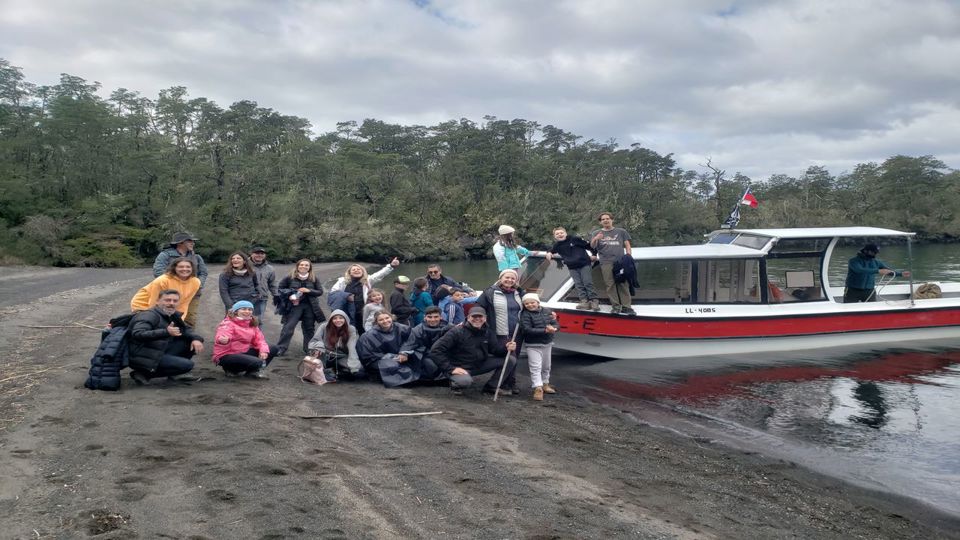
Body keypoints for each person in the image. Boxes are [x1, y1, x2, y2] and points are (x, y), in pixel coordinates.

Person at [430, 306, 518, 395]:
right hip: (460, 367)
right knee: (465, 382)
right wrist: (450, 368)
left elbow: (495, 350)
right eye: (474, 316)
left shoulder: (488, 332)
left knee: (510, 360)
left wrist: (506, 348)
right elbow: (435, 350)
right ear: (468, 318)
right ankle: (454, 383)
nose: (477, 319)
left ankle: (491, 387)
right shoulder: (456, 332)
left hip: (479, 364)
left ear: (485, 318)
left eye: (480, 316)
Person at [127, 289, 204, 385]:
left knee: (189, 341)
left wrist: (196, 339)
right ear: (157, 301)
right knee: (188, 365)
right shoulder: (148, 315)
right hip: (141, 354)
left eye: (175, 301)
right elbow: (137, 334)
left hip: (157, 349)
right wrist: (165, 332)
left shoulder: (172, 315)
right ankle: (144, 373)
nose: (171, 303)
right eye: (167, 300)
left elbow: (186, 330)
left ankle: (173, 373)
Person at [152, 232, 209, 327]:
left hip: (192, 295)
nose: (193, 243)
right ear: (180, 243)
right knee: (166, 318)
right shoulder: (165, 255)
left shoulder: (197, 257)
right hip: (170, 295)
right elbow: (158, 272)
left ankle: (188, 340)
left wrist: (198, 284)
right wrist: (175, 284)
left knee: (190, 319)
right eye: (189, 241)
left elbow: (203, 273)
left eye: (193, 241)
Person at [328, 258, 400, 330]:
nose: (356, 270)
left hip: (362, 311)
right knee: (347, 330)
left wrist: (391, 266)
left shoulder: (368, 280)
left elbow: (380, 274)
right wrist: (346, 296)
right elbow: (333, 292)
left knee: (362, 329)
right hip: (347, 310)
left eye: (359, 269)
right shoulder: (343, 281)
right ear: (350, 273)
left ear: (363, 272)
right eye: (354, 270)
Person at [212, 300, 277, 379]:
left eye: (250, 309)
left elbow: (260, 340)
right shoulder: (228, 323)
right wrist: (224, 340)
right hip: (227, 355)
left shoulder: (252, 323)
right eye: (243, 309)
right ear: (236, 311)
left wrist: (263, 351)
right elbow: (222, 335)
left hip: (243, 352)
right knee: (257, 361)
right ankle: (231, 370)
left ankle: (253, 372)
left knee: (272, 348)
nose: (247, 311)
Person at [276, 259, 325, 356]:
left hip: (310, 306)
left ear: (309, 267)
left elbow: (320, 292)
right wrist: (290, 294)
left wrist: (309, 291)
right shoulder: (289, 277)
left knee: (309, 328)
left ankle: (308, 349)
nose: (304, 267)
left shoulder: (314, 278)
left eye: (306, 265)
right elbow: (280, 289)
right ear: (297, 266)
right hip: (294, 306)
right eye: (301, 265)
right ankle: (281, 348)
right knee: (288, 327)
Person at [475, 269, 525, 365]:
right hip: (500, 333)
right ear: (501, 278)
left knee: (515, 358)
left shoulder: (519, 292)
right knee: (508, 358)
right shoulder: (490, 292)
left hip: (517, 332)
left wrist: (547, 313)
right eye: (507, 277)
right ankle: (503, 379)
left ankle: (509, 380)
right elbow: (478, 307)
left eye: (513, 278)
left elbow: (530, 305)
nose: (510, 280)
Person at [590, 212, 635, 315]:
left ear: (612, 220)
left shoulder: (621, 231)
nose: (606, 220)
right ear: (600, 222)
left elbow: (627, 245)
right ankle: (616, 307)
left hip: (620, 262)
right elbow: (592, 246)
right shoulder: (596, 233)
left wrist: (628, 257)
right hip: (605, 262)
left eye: (608, 218)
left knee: (623, 283)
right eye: (603, 219)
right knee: (610, 284)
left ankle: (626, 307)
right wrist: (596, 238)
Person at [546, 226, 600, 311]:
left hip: (584, 264)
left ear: (565, 233)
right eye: (557, 234)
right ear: (555, 236)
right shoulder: (557, 245)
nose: (560, 235)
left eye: (561, 233)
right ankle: (584, 301)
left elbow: (589, 246)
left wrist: (594, 254)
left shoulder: (574, 239)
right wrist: (549, 253)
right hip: (572, 267)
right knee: (578, 284)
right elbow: (552, 250)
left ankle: (594, 301)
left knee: (587, 282)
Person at [131, 258, 202, 321]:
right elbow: (154, 302)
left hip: (167, 303)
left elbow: (184, 303)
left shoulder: (195, 282)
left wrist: (179, 319)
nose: (184, 269)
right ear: (174, 268)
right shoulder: (163, 280)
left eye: (188, 267)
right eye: (181, 267)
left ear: (192, 268)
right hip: (144, 305)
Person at [356, 311, 413, 386]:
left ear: (391, 318)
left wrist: (404, 352)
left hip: (403, 355)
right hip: (381, 360)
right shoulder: (368, 336)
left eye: (387, 318)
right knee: (392, 366)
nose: (385, 321)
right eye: (381, 320)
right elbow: (367, 356)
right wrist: (392, 357)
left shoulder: (402, 328)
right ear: (376, 322)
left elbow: (412, 340)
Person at [519, 293, 559, 401]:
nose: (530, 305)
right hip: (533, 345)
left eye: (532, 302)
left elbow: (555, 323)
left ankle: (545, 383)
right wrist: (545, 330)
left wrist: (554, 328)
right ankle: (538, 387)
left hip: (547, 343)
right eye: (527, 303)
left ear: (538, 302)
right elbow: (526, 329)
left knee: (546, 366)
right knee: (535, 367)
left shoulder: (547, 311)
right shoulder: (525, 315)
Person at [399, 306, 451, 381]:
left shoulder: (449, 327)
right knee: (431, 367)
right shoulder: (418, 329)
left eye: (436, 317)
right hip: (426, 355)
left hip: (445, 354)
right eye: (430, 317)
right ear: (425, 317)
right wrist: (403, 353)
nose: (433, 320)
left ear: (441, 317)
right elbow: (411, 342)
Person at [844, 244, 910, 303]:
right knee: (847, 308)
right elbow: (859, 270)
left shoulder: (877, 262)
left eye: (876, 252)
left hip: (869, 291)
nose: (875, 254)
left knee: (872, 309)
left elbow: (888, 271)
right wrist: (878, 271)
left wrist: (900, 274)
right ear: (865, 251)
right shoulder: (853, 261)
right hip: (852, 290)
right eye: (873, 252)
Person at [307, 309, 362, 379]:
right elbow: (315, 340)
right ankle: (323, 371)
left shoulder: (351, 329)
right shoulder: (324, 327)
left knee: (359, 371)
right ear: (331, 320)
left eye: (341, 318)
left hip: (340, 356)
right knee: (317, 356)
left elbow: (352, 348)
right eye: (335, 318)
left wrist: (354, 365)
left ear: (345, 319)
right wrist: (319, 347)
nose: (338, 320)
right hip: (325, 354)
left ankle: (334, 371)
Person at [249, 246, 278, 318]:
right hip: (246, 297)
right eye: (257, 253)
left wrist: (276, 295)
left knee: (258, 321)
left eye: (262, 253)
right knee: (244, 321)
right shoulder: (245, 265)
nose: (259, 255)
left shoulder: (270, 268)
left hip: (262, 298)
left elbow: (272, 283)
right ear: (251, 254)